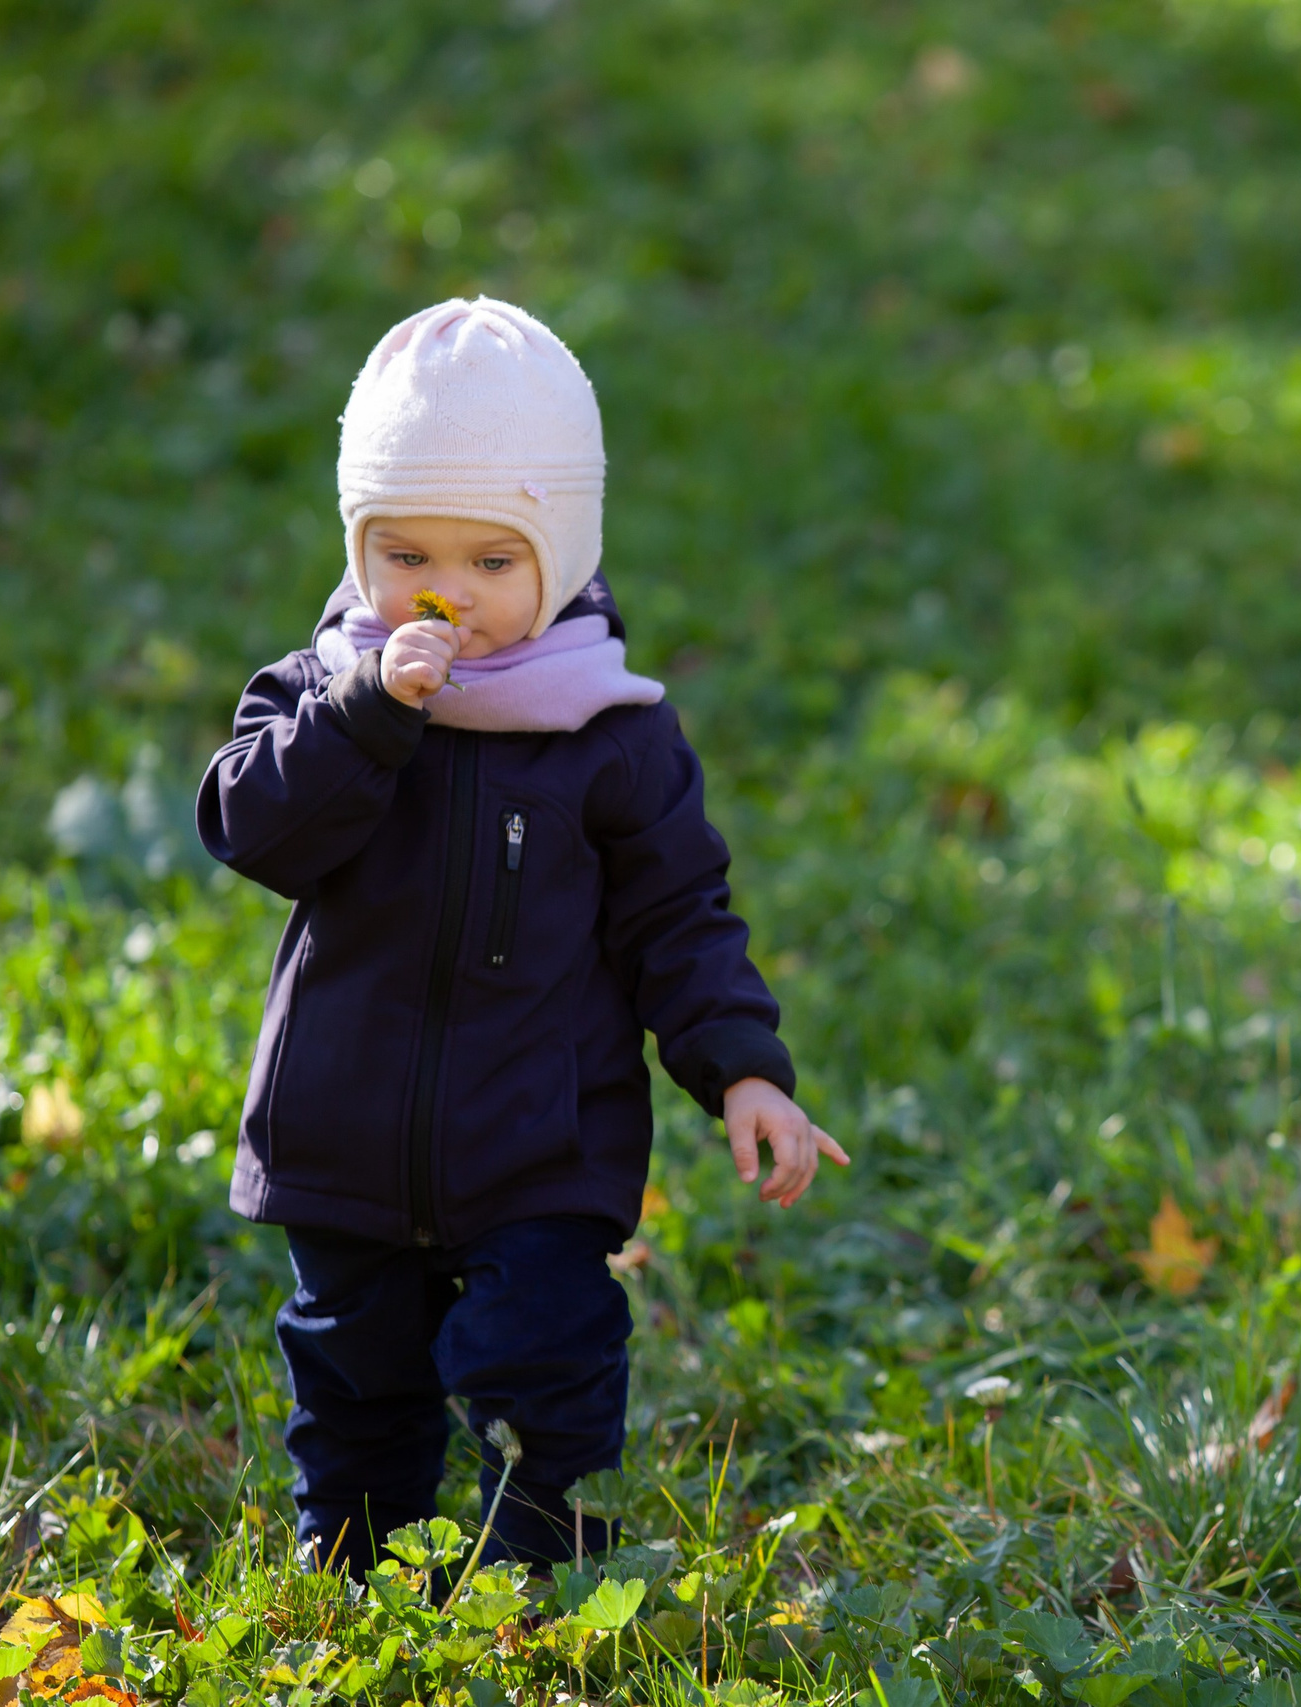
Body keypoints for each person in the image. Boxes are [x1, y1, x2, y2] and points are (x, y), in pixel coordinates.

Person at [196, 297, 846, 1573]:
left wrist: (744, 1069)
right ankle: (355, 1556)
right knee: (354, 1363)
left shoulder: (610, 735)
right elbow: (252, 832)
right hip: (348, 1123)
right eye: (406, 555)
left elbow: (680, 917)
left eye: (496, 562)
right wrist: (366, 718)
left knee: (542, 1348)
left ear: (562, 554)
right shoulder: (320, 693)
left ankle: (537, 1544)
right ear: (357, 546)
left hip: (540, 1129)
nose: (449, 594)